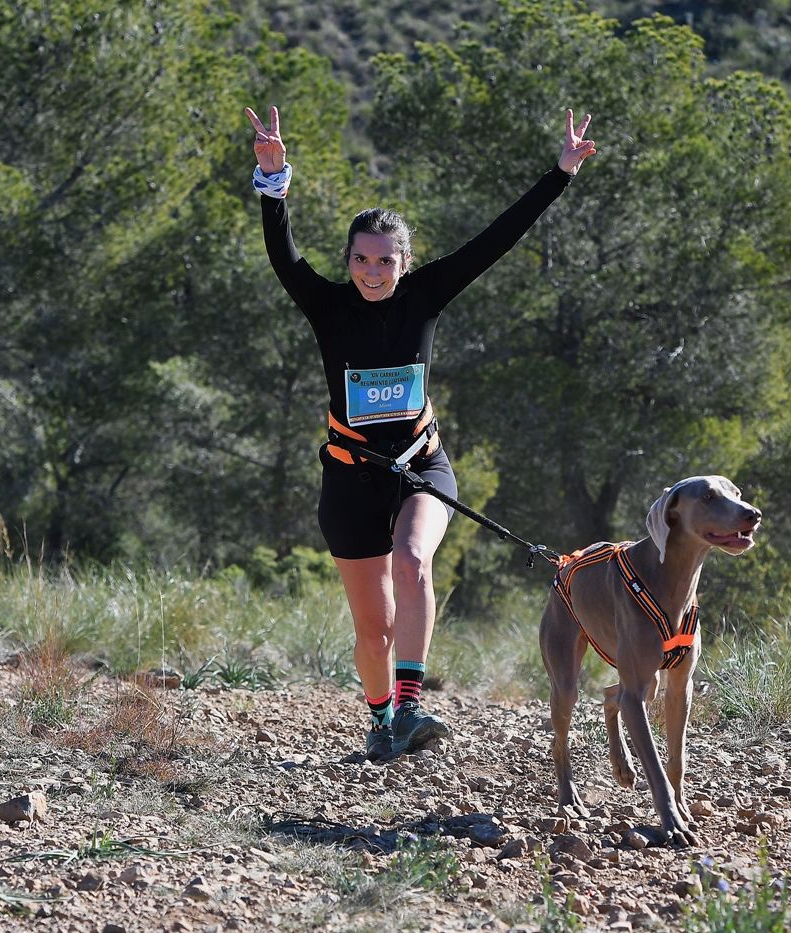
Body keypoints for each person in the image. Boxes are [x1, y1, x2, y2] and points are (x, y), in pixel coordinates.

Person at [244, 104, 596, 760]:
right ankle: (380, 721)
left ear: (405, 263)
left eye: (385, 260)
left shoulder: (426, 295)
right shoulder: (328, 306)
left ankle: (408, 708)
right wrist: (274, 180)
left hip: (420, 465)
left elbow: (496, 239)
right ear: (349, 259)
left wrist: (561, 172)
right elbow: (283, 256)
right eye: (362, 259)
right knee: (372, 630)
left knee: (413, 561)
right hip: (350, 480)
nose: (373, 271)